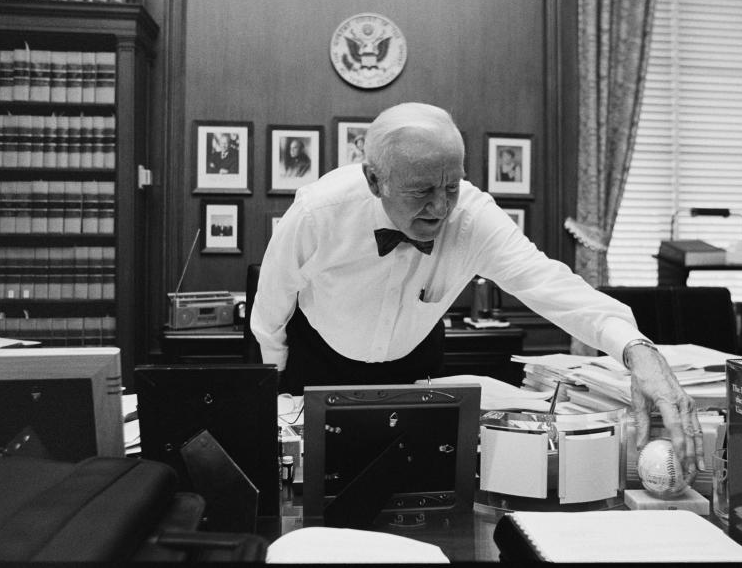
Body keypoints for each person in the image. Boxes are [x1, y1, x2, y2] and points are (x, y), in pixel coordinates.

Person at [251, 102, 705, 482]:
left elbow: (551, 284)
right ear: (374, 180)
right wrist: (272, 385)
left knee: (419, 486)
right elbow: (272, 304)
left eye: (451, 186)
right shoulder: (318, 211)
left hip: (415, 365)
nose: (441, 207)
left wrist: (637, 349)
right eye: (422, 191)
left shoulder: (472, 216)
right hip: (320, 360)